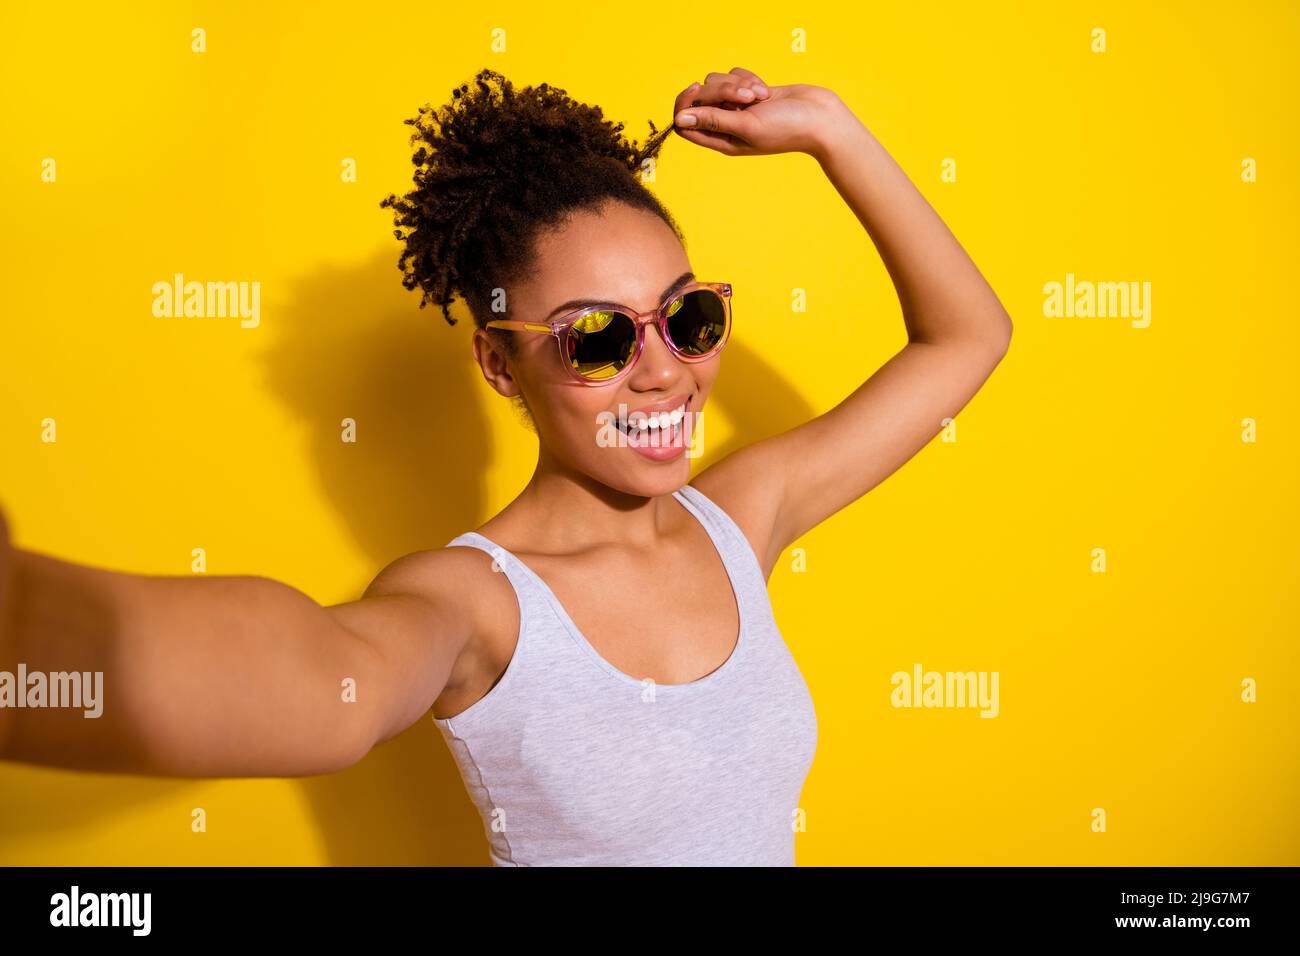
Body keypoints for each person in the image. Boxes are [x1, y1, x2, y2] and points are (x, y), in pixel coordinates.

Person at [0, 66, 1012, 865]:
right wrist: (19, 626)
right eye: (598, 340)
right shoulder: (474, 601)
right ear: (498, 360)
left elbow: (965, 338)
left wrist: (832, 130)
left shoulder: (740, 517)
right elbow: (325, 680)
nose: (663, 373)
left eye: (689, 318)